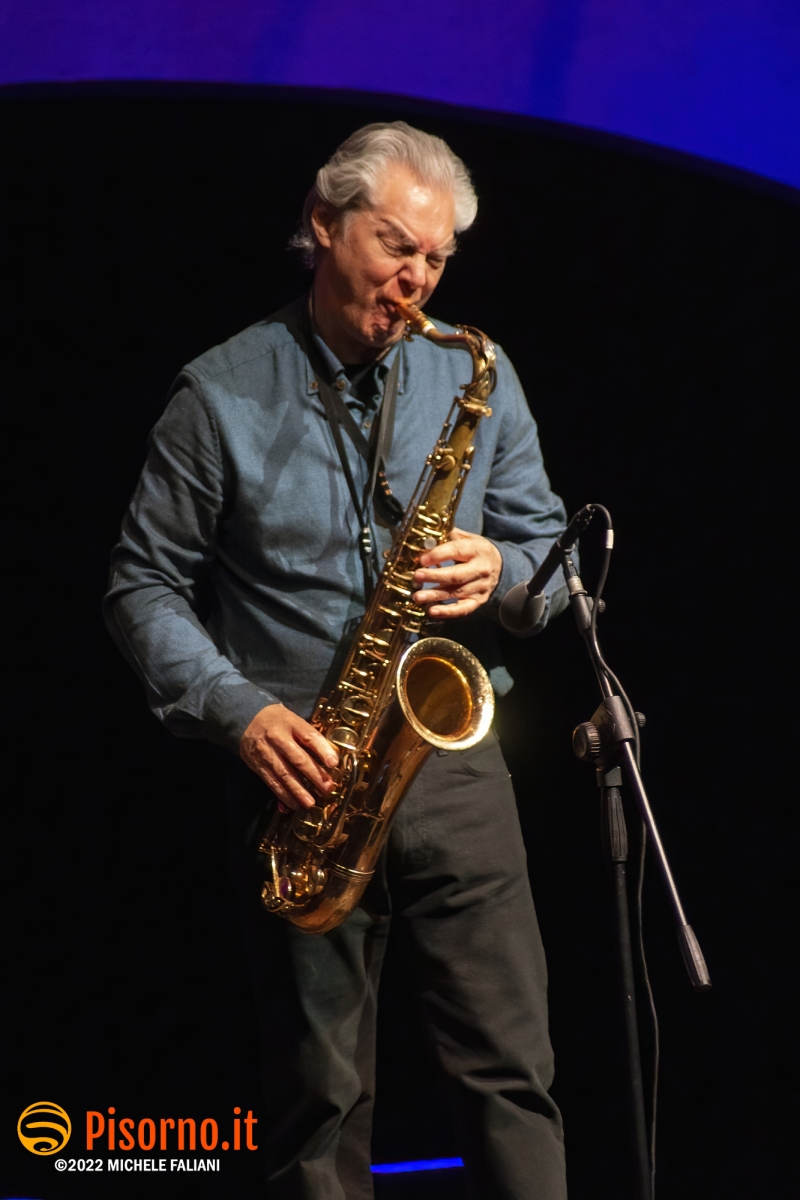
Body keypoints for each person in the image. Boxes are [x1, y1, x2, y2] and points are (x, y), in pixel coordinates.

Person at [104, 121, 570, 1200]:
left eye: (436, 259)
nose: (416, 281)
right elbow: (140, 586)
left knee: (511, 1076)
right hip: (302, 773)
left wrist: (503, 566)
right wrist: (238, 713)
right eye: (395, 246)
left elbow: (548, 555)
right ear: (323, 224)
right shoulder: (218, 393)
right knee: (318, 1103)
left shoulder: (476, 372)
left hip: (452, 767)